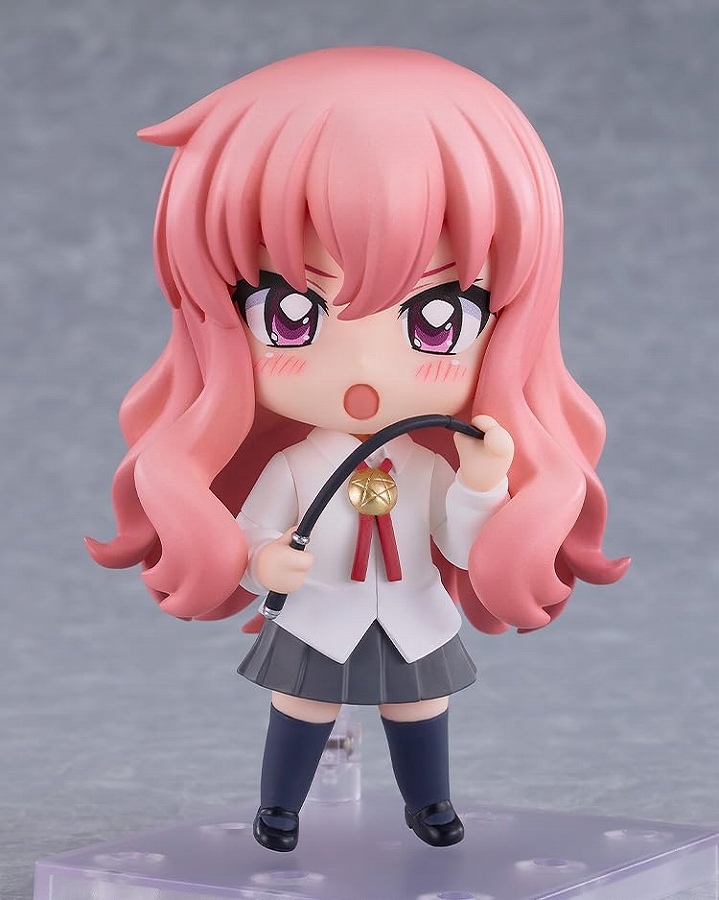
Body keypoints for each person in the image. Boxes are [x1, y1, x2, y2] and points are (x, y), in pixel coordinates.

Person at [88, 47, 629, 852]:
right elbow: (256, 528)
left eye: (436, 316)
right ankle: (279, 808)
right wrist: (263, 560)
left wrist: (482, 484)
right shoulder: (296, 465)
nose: (366, 370)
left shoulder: (426, 465)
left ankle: (429, 805)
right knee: (302, 705)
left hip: (411, 609)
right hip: (321, 611)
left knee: (420, 707)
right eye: (290, 312)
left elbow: (459, 544)